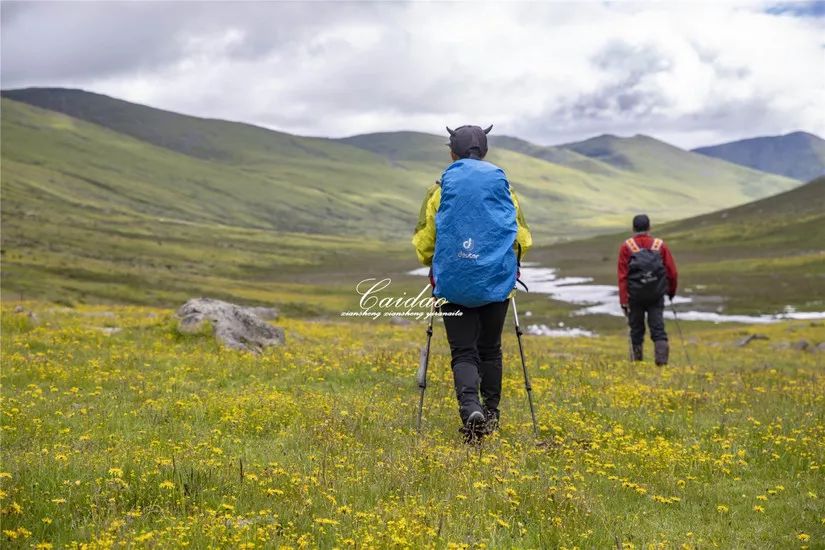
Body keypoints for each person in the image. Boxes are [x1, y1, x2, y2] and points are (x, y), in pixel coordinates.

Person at [412, 124, 532, 441]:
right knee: (490, 350)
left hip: (454, 282)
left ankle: (470, 409)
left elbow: (426, 242)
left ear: (453, 153)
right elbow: (522, 238)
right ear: (485, 150)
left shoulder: (439, 190)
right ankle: (490, 416)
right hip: (496, 281)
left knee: (463, 351)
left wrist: (435, 264)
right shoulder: (505, 189)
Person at [617, 214, 678, 366]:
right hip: (656, 295)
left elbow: (622, 276)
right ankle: (661, 364)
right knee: (658, 329)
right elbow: (672, 273)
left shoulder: (626, 247)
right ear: (650, 228)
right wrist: (670, 292)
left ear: (633, 228)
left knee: (636, 331)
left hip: (635, 297)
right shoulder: (660, 245)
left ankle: (636, 364)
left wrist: (624, 301)